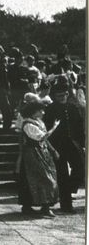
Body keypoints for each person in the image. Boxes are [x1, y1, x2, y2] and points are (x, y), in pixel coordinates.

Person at [44, 81, 84, 213]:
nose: (62, 98)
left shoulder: (73, 107)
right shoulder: (50, 109)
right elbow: (47, 128)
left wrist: (82, 143)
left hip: (73, 144)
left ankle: (69, 189)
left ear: (68, 94)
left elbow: (79, 127)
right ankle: (66, 206)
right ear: (55, 96)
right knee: (62, 175)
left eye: (64, 95)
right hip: (57, 145)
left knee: (81, 167)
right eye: (59, 96)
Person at [17, 94, 60, 217]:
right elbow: (42, 137)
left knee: (47, 177)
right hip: (32, 154)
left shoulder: (38, 122)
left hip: (42, 152)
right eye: (40, 110)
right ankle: (31, 206)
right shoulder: (28, 124)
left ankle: (45, 206)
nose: (42, 112)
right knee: (40, 178)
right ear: (33, 111)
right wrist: (54, 128)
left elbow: (44, 140)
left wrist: (52, 150)